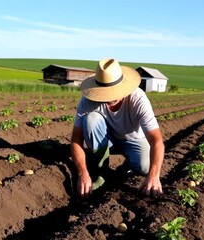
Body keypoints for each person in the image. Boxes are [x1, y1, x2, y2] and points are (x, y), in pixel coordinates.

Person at [70, 58, 165, 199]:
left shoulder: (138, 98)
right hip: (106, 141)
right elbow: (76, 140)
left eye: (113, 91)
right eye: (105, 92)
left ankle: (128, 165)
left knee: (145, 167)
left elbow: (156, 139)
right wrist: (83, 173)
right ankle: (100, 172)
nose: (110, 97)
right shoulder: (88, 100)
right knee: (91, 119)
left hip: (134, 140)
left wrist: (154, 175)